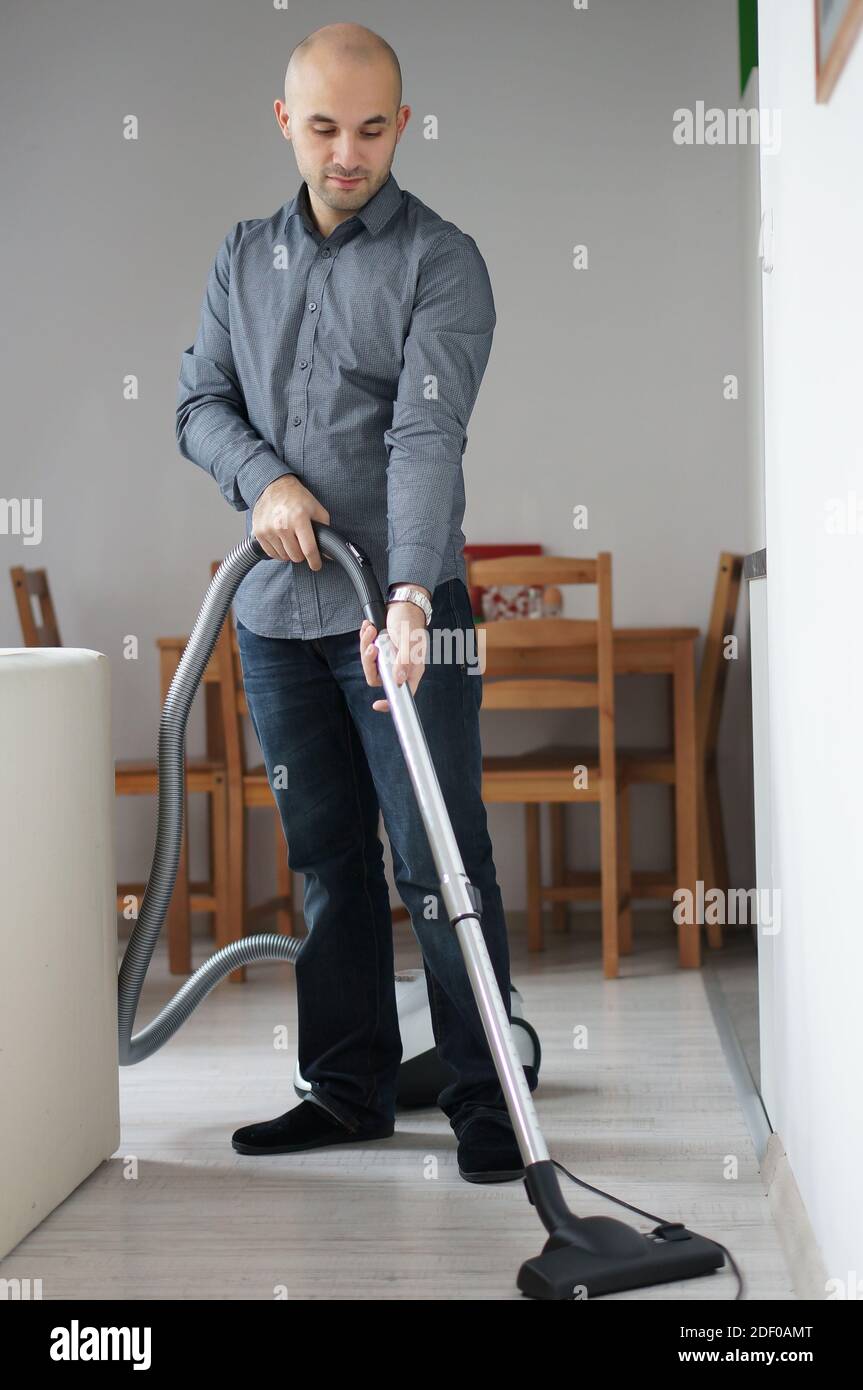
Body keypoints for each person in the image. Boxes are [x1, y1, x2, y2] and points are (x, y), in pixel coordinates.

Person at [176, 22, 527, 1183]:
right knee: (327, 857)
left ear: (401, 126)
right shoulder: (240, 257)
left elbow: (426, 433)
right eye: (322, 126)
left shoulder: (441, 260)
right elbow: (199, 404)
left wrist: (417, 594)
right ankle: (345, 1090)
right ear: (285, 122)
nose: (346, 152)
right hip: (276, 614)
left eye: (371, 128)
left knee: (440, 852)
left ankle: (486, 1095)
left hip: (406, 616)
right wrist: (260, 479)